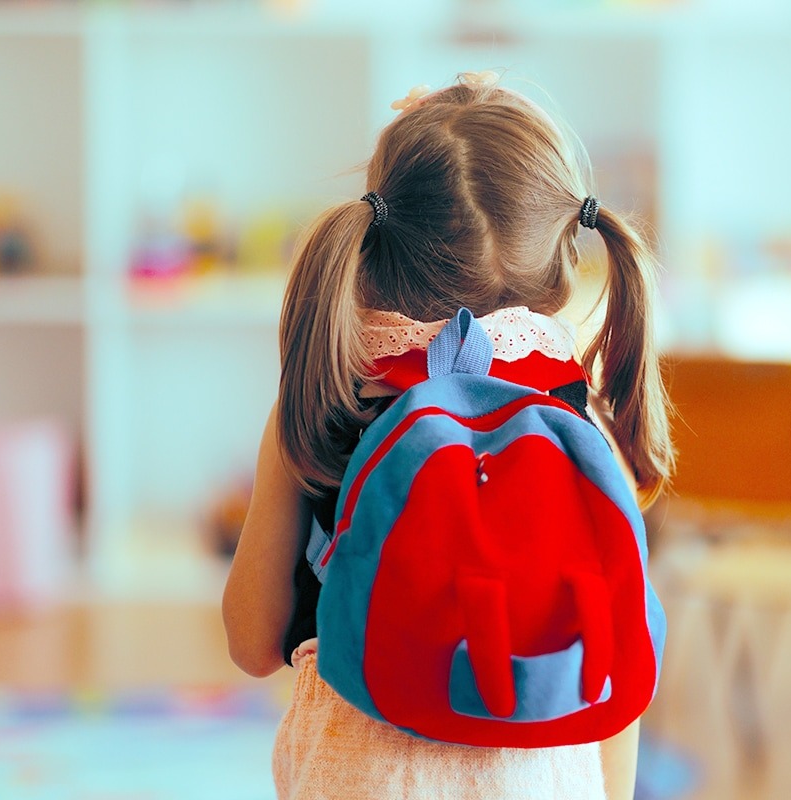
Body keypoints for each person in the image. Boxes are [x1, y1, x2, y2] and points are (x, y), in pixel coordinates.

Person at [222, 70, 673, 800]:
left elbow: (250, 641)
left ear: (373, 240)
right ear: (564, 253)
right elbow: (619, 660)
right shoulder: (576, 423)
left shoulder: (327, 396)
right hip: (541, 776)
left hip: (359, 775)